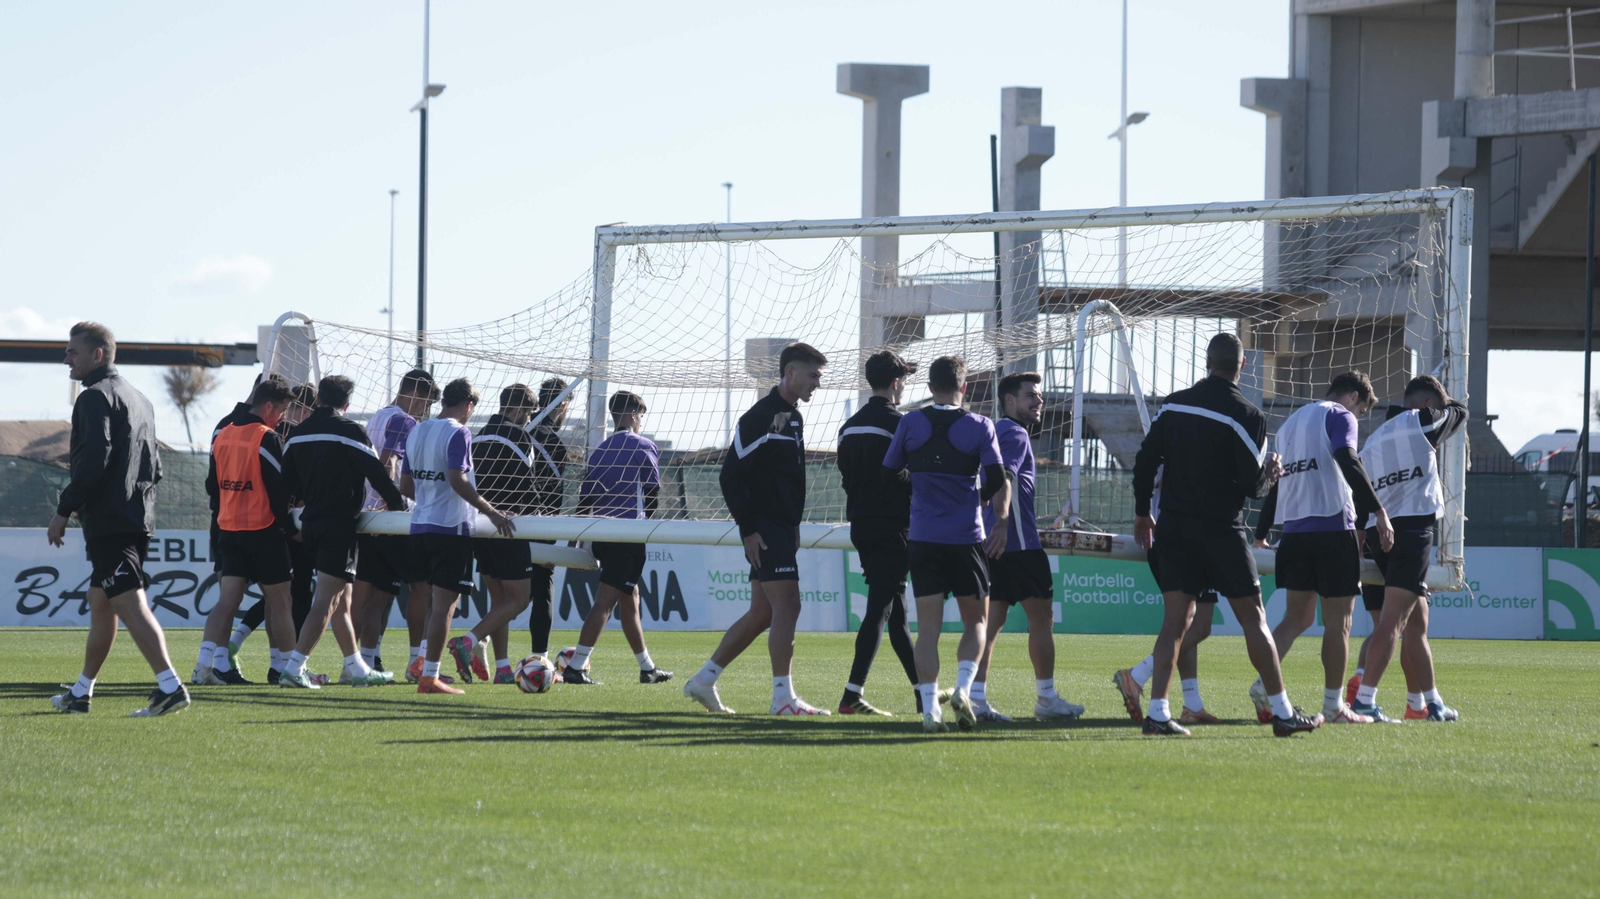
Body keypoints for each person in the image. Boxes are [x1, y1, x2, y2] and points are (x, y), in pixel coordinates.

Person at [1130, 332, 1319, 737]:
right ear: (1243, 365)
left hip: (1173, 526)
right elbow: (1253, 487)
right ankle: (1283, 713)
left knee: (1175, 623)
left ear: (1207, 361)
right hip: (1220, 529)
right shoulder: (1248, 414)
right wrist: (1271, 473)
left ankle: (1158, 714)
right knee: (1254, 619)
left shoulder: (1174, 403)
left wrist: (1143, 513)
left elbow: (1145, 460)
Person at [47, 322, 189, 717]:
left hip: (110, 521)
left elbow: (94, 459)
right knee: (101, 603)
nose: (66, 359)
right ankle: (81, 692)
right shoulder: (140, 398)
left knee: (130, 603)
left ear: (98, 355)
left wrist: (64, 508)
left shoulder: (94, 397)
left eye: (72, 351)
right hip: (136, 516)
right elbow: (156, 468)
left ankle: (170, 687)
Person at [684, 341, 829, 715]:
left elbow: (786, 479)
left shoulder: (792, 417)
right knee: (788, 605)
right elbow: (730, 477)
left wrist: (793, 524)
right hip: (764, 529)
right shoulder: (760, 416)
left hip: (780, 527)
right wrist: (748, 530)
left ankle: (703, 680)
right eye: (813, 375)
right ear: (790, 373)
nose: (817, 383)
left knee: (763, 613)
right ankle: (783, 699)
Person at [1247, 372, 1394, 725]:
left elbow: (1276, 483)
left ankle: (1263, 685)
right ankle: (1333, 706)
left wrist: (1261, 533)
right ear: (1353, 397)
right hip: (1332, 528)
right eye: (1361, 411)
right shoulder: (1339, 415)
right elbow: (1347, 458)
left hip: (1293, 534)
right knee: (1339, 623)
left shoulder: (1289, 425)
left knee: (1296, 618)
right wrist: (1378, 510)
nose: (1358, 417)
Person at [882, 355, 1010, 734]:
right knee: (977, 622)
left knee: (928, 630)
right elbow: (997, 478)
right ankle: (963, 689)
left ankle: (929, 711)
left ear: (929, 387)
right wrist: (980, 498)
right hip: (966, 538)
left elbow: (889, 472)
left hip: (923, 537)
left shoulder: (909, 422)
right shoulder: (981, 425)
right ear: (964, 387)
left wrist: (920, 489)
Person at [1348, 374, 1469, 723]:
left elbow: (1360, 496)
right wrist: (1451, 402)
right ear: (1429, 404)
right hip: (1412, 529)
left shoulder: (1374, 439)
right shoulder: (1422, 420)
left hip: (1379, 533)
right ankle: (1365, 699)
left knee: (1416, 622)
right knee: (1393, 622)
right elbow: (1460, 414)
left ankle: (1425, 704)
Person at [279, 374, 406, 688]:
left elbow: (283, 487)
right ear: (347, 404)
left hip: (310, 526)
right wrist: (397, 507)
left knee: (341, 601)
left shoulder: (298, 433)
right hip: (338, 527)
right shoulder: (350, 431)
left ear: (318, 399)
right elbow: (377, 474)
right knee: (325, 601)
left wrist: (287, 524)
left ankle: (355, 668)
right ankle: (293, 669)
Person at [971, 371, 1085, 722]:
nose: (1039, 401)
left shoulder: (992, 431)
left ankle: (976, 699)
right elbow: (1005, 476)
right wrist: (1004, 522)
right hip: (1017, 544)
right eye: (1031, 395)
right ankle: (1046, 699)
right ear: (1009, 400)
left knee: (991, 623)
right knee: (1041, 618)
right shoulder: (1015, 432)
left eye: (1039, 395)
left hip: (992, 543)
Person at [402, 378, 516, 695]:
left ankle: (421, 662)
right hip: (449, 528)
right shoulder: (458, 432)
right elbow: (458, 479)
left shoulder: (417, 431)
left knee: (427, 600)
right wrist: (492, 512)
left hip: (419, 526)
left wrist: (430, 497)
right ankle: (430, 677)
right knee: (444, 606)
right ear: (468, 405)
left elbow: (406, 486)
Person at [561, 390, 674, 685]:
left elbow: (585, 500)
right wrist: (647, 525)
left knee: (630, 599)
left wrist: (574, 539)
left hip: (601, 535)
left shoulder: (599, 451)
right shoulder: (643, 445)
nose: (641, 421)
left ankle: (647, 668)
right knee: (605, 603)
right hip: (628, 535)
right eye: (641, 416)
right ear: (633, 415)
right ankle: (576, 666)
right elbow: (652, 492)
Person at [192, 375, 298, 687]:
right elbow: (279, 490)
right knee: (281, 602)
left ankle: (202, 666)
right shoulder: (266, 437)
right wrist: (289, 527)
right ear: (269, 406)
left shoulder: (223, 433)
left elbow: (211, 485)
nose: (282, 419)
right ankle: (290, 670)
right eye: (282, 411)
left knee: (226, 602)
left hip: (228, 528)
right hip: (263, 530)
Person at [834, 349, 921, 716]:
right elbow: (907, 476)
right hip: (894, 528)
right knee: (879, 611)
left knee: (897, 615)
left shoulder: (848, 426)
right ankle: (851, 694)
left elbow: (846, 478)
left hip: (861, 526)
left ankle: (923, 693)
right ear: (896, 382)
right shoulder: (901, 424)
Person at [442, 383, 544, 684]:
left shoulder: (477, 435)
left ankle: (503, 668)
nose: (528, 419)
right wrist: (542, 521)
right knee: (520, 599)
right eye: (528, 413)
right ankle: (468, 641)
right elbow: (528, 486)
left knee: (500, 601)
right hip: (507, 525)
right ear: (518, 410)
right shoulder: (520, 437)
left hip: (479, 525)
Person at [1111, 467, 1224, 725]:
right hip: (1182, 537)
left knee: (1188, 624)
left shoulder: (1167, 446)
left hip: (1177, 535)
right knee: (1198, 625)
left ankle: (1192, 705)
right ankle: (1136, 676)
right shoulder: (1174, 445)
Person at [349, 369, 439, 681]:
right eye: (425, 403)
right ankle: (416, 663)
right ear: (412, 394)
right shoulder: (404, 420)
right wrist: (391, 501)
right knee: (422, 588)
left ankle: (361, 661)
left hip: (368, 515)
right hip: (392, 516)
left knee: (376, 594)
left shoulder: (378, 417)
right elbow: (388, 460)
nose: (424, 411)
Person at [229, 381, 320, 682]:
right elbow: (284, 484)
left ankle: (256, 653)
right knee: (293, 596)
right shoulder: (289, 435)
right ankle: (290, 666)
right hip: (285, 524)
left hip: (251, 522)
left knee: (275, 596)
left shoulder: (264, 431)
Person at [523, 376, 570, 662]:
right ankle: (540, 659)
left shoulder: (520, 431)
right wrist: (550, 540)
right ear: (563, 405)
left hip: (502, 522)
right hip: (536, 527)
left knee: (512, 595)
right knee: (542, 590)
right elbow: (551, 498)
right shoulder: (553, 444)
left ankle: (482, 638)